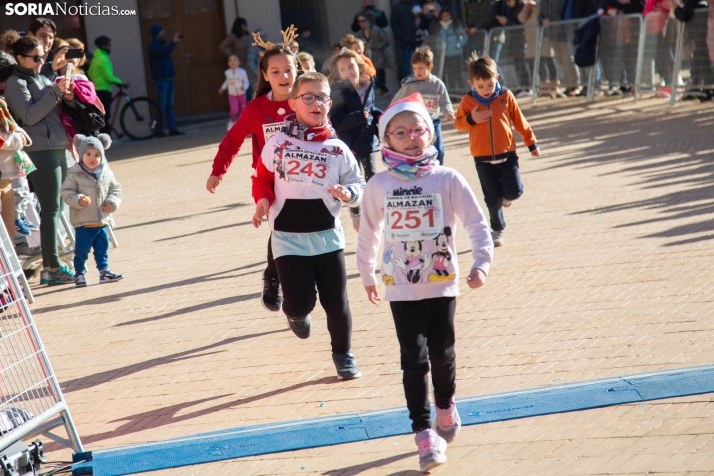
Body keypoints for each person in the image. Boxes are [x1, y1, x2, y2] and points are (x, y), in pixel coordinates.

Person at [356, 93, 493, 473]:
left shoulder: (446, 177)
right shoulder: (379, 185)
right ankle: (423, 434)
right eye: (401, 132)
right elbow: (368, 232)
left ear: (430, 135)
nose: (411, 137)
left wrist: (481, 262)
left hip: (441, 281)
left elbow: (476, 222)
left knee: (443, 354)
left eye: (418, 130)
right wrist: (367, 273)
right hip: (400, 285)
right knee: (413, 360)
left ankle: (445, 408)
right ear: (387, 142)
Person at [252, 72, 365, 380]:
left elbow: (359, 184)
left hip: (328, 238)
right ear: (293, 103)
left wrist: (349, 193)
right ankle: (295, 313)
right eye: (309, 97)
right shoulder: (277, 143)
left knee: (336, 302)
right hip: (287, 239)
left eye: (323, 98)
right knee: (300, 304)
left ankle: (343, 354)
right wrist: (262, 201)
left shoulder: (338, 149)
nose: (317, 103)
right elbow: (262, 179)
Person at [207, 28, 301, 313]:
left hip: (307, 177)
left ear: (298, 70)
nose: (283, 76)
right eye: (275, 72)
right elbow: (232, 140)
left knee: (300, 231)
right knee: (283, 230)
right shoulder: (256, 109)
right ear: (265, 75)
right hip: (271, 182)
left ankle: (296, 283)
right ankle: (274, 278)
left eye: (288, 70)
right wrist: (217, 170)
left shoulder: (308, 100)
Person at [4, 35, 77, 284]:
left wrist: (65, 96)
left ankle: (49, 267)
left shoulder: (41, 77)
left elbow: (52, 109)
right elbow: (29, 115)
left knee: (57, 208)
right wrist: (55, 92)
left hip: (56, 145)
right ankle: (52, 267)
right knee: (51, 209)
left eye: (42, 56)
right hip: (39, 150)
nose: (40, 61)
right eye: (36, 58)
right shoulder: (15, 83)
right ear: (20, 58)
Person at [454, 55, 540, 247]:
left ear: (497, 78)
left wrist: (531, 143)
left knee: (515, 192)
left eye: (490, 85)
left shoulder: (506, 96)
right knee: (492, 200)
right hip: (482, 159)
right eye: (480, 86)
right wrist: (472, 119)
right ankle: (498, 230)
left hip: (507, 154)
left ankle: (507, 199)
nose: (486, 90)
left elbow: (519, 121)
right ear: (472, 83)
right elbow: (458, 124)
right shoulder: (468, 101)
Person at [327, 48, 382, 231]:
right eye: (343, 69)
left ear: (359, 66)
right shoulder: (338, 93)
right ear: (338, 73)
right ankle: (357, 211)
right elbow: (336, 122)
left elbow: (371, 108)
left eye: (351, 67)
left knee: (372, 177)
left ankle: (374, 212)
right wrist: (359, 116)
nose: (348, 72)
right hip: (348, 144)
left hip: (368, 141)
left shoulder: (368, 85)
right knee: (353, 181)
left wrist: (380, 116)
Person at [60, 133, 122, 287]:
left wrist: (111, 203)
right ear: (81, 155)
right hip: (83, 223)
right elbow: (66, 192)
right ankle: (79, 273)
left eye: (96, 155)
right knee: (81, 251)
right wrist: (79, 199)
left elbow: (116, 190)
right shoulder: (74, 174)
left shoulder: (106, 173)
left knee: (102, 249)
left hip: (101, 221)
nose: (92, 158)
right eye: (88, 154)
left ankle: (104, 271)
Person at [392, 46, 454, 165]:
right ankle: (422, 169)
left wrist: (448, 112)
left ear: (430, 67)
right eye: (415, 68)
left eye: (421, 68)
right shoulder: (410, 85)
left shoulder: (437, 84)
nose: (417, 71)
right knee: (421, 150)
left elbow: (445, 101)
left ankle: (438, 169)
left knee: (439, 149)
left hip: (433, 122)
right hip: (417, 125)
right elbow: (397, 100)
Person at [0, 98, 32, 241]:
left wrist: (20, 136)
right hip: (4, 175)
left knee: (8, 232)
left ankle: (10, 260)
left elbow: (14, 127)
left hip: (7, 178)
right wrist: (18, 140)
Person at [672, 0, 714, 100]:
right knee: (698, 59)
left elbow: (685, 15)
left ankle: (709, 88)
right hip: (697, 37)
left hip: (698, 34)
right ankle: (697, 86)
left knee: (702, 58)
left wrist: (675, 9)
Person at [147, 24, 184, 137]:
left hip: (169, 78)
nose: (164, 32)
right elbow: (164, 52)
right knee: (161, 106)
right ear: (156, 33)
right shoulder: (153, 45)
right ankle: (158, 130)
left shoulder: (160, 45)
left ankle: (172, 129)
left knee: (169, 105)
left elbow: (165, 51)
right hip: (161, 79)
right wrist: (174, 42)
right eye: (161, 31)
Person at [540, 0, 583, 95]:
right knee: (560, 60)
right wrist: (542, 20)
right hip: (551, 33)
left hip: (563, 32)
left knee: (568, 58)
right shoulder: (543, 2)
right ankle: (568, 85)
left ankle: (576, 84)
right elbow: (541, 14)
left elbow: (566, 12)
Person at [519, 0, 561, 96]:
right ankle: (544, 88)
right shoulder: (527, 5)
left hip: (543, 35)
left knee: (548, 60)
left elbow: (544, 14)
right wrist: (526, 9)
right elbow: (521, 18)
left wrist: (535, 6)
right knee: (539, 64)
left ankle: (554, 86)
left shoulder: (541, 3)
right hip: (530, 38)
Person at [87, 36, 121, 136]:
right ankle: (105, 138)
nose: (110, 47)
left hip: (97, 91)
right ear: (103, 46)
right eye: (108, 45)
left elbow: (90, 73)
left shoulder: (95, 58)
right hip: (104, 90)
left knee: (101, 115)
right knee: (106, 116)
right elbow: (108, 77)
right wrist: (120, 81)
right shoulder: (103, 59)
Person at [355, 12, 393, 96]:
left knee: (379, 79)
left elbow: (386, 41)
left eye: (363, 21)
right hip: (368, 59)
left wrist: (373, 46)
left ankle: (388, 93)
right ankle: (387, 93)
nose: (361, 23)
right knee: (373, 78)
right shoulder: (360, 34)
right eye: (359, 21)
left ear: (368, 20)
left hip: (379, 58)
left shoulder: (376, 30)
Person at [429, 9, 466, 93]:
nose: (446, 18)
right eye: (444, 16)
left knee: (457, 73)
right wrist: (440, 49)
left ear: (451, 16)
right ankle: (451, 91)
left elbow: (464, 37)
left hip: (456, 53)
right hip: (445, 54)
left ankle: (460, 91)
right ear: (441, 17)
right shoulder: (439, 28)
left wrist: (459, 45)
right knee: (448, 74)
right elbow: (438, 40)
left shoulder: (456, 26)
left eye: (447, 16)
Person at [219, 18, 255, 100]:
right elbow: (222, 46)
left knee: (250, 86)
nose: (246, 27)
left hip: (249, 65)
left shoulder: (248, 36)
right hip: (239, 66)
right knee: (241, 88)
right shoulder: (233, 36)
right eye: (244, 25)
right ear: (240, 25)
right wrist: (232, 57)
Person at [392, 0, 423, 80]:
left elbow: (422, 19)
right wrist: (402, 36)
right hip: (405, 40)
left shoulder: (416, 3)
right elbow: (394, 24)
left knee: (421, 59)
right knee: (406, 62)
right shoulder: (397, 7)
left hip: (417, 38)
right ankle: (408, 81)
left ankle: (422, 79)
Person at [218, 54, 250, 130]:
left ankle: (242, 125)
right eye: (230, 60)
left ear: (239, 62)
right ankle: (232, 121)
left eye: (235, 60)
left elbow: (246, 82)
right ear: (228, 63)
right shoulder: (227, 72)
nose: (232, 62)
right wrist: (222, 88)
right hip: (232, 94)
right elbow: (227, 81)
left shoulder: (242, 72)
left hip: (241, 94)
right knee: (234, 109)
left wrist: (244, 87)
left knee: (242, 111)